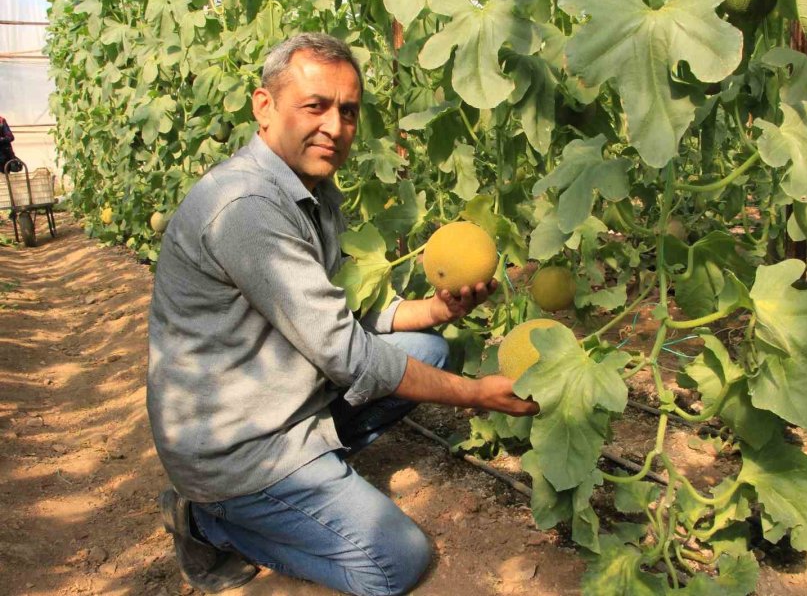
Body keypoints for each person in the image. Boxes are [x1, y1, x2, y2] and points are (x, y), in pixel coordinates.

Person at [147, 33, 539, 596]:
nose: (334, 126)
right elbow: (346, 352)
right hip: (236, 451)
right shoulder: (247, 208)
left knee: (428, 349)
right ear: (264, 106)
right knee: (395, 562)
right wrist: (476, 394)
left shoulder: (311, 192)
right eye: (315, 106)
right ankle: (208, 521)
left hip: (280, 403)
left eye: (347, 111)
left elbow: (343, 315)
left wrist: (434, 309)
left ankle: (310, 480)